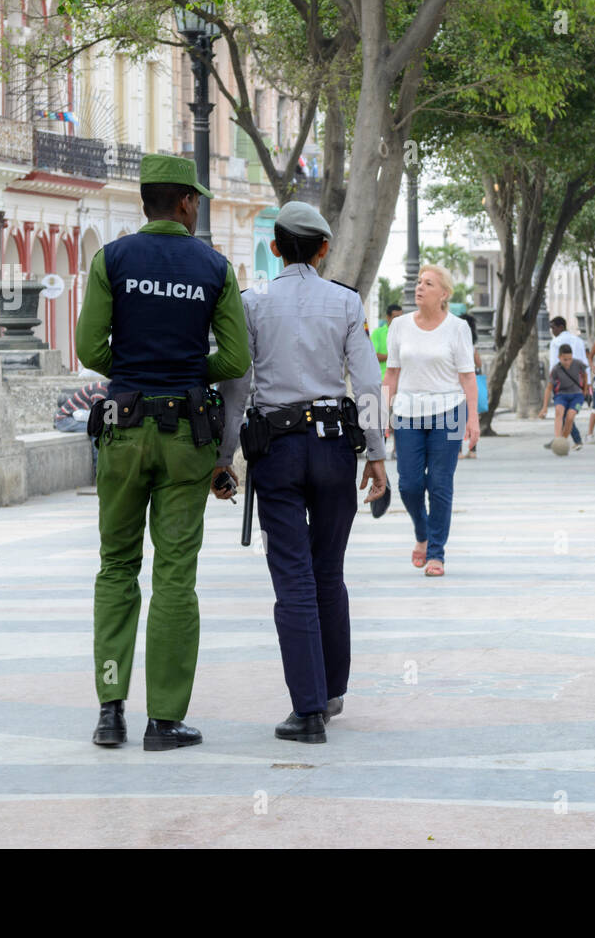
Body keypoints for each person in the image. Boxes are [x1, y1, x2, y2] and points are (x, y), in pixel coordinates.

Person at [75, 153, 251, 751]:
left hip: (122, 433)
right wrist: (183, 369)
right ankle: (165, 719)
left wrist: (134, 364)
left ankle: (109, 710)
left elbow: (89, 346)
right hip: (186, 438)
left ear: (144, 201)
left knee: (116, 567)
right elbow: (235, 361)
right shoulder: (215, 267)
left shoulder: (112, 258)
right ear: (185, 203)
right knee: (176, 574)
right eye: (196, 199)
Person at [217, 201, 388, 745]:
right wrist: (377, 454)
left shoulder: (252, 302)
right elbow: (366, 382)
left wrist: (225, 459)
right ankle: (333, 691)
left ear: (274, 247)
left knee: (292, 576)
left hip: (277, 452)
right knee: (328, 570)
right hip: (337, 447)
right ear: (322, 249)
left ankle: (308, 709)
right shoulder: (344, 302)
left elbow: (237, 388)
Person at [385, 264, 479, 577]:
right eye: (418, 282)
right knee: (409, 484)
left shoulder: (457, 327)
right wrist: (377, 416)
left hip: (450, 411)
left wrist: (473, 420)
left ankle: (436, 553)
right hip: (407, 413)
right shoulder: (400, 326)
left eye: (428, 283)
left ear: (443, 294)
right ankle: (422, 534)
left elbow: (468, 377)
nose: (419, 287)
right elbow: (391, 373)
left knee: (440, 483)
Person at [54, 377, 109, 476]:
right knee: (96, 431)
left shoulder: (106, 390)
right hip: (64, 420)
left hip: (73, 418)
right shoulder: (101, 391)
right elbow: (98, 418)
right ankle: (98, 473)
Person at [540, 343, 590, 451]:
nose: (568, 362)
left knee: (570, 417)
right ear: (559, 357)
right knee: (559, 412)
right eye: (565, 359)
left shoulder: (578, 364)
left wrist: (585, 390)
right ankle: (558, 439)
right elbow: (548, 388)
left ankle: (561, 441)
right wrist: (544, 407)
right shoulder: (556, 369)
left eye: (570, 359)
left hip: (577, 396)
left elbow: (585, 374)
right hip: (561, 395)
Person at [546, 315, 586, 447]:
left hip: (561, 387)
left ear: (561, 327)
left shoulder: (556, 342)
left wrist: (551, 383)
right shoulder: (579, 341)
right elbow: (585, 366)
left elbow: (553, 365)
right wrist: (588, 388)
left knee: (563, 415)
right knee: (567, 415)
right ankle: (569, 440)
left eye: (553, 328)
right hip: (578, 388)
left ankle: (565, 440)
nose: (552, 331)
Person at [460, 312, 484, 459]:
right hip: (472, 381)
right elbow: (479, 363)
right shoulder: (471, 344)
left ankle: (458, 451)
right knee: (472, 416)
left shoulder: (455, 341)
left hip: (458, 383)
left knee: (459, 417)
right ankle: (473, 450)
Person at [370, 303, 401, 379]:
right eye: (396, 317)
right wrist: (395, 356)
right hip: (384, 379)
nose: (399, 320)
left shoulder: (405, 333)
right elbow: (373, 356)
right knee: (385, 391)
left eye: (401, 317)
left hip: (402, 382)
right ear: (388, 317)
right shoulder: (377, 333)